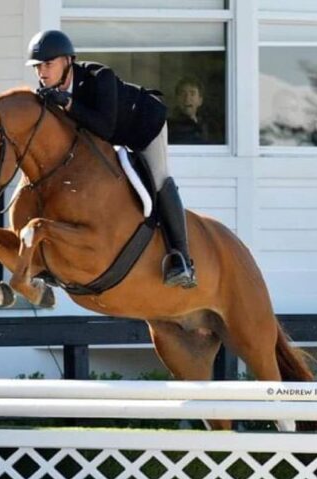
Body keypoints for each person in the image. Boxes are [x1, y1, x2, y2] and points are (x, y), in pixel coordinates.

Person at [26, 29, 196, 289]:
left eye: (48, 64)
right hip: (107, 139)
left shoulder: (99, 76)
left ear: (67, 62)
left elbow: (104, 128)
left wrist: (69, 104)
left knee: (159, 179)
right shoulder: (49, 91)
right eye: (38, 66)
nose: (42, 73)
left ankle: (182, 260)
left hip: (143, 126)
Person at [167, 76, 210, 145]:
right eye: (183, 93)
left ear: (200, 100)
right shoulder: (170, 127)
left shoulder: (207, 125)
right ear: (177, 99)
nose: (187, 98)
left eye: (192, 94)